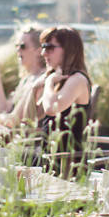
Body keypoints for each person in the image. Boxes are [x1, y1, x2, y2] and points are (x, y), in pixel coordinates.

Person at [38, 26, 91, 154]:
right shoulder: (59, 79)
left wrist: (49, 82)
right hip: (48, 156)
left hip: (65, 164)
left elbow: (51, 109)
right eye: (43, 47)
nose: (43, 53)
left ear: (68, 50)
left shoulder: (77, 80)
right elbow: (38, 116)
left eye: (49, 47)